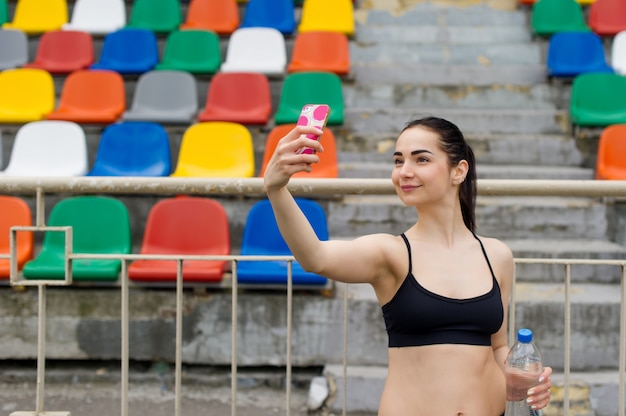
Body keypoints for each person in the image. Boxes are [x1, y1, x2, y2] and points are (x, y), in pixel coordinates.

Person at [263, 116, 553, 415]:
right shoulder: (391, 253)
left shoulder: (497, 256)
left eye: (421, 159)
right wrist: (276, 189)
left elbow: (497, 347)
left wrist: (524, 377)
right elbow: (315, 258)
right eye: (398, 160)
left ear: (459, 170)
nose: (405, 172)